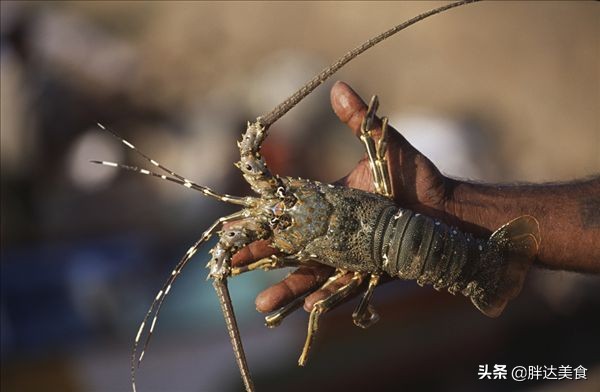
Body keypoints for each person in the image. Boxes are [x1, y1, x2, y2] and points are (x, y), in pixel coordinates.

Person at [231, 81, 600, 315]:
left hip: (417, 250)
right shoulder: (312, 192)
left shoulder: (291, 244)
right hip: (413, 239)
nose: (278, 202)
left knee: (284, 294)